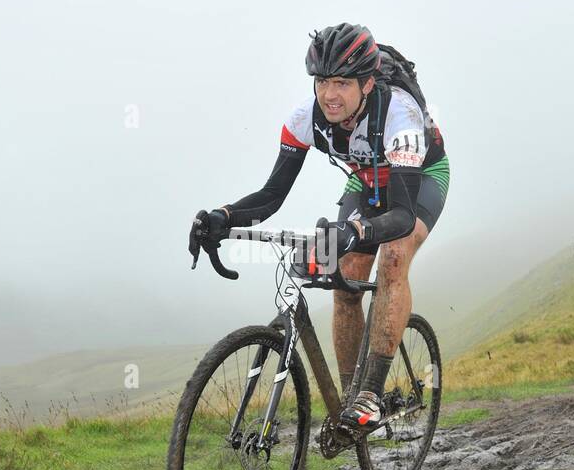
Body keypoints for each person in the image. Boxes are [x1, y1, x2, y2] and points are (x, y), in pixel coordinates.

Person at [190, 23, 449, 431]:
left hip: (418, 179)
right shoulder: (304, 119)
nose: (329, 94)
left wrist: (356, 232)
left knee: (395, 257)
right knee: (345, 278)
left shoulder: (400, 114)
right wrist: (225, 216)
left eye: (342, 83)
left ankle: (370, 395)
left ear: (366, 84)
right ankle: (349, 401)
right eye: (323, 81)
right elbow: (271, 195)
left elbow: (399, 215)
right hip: (365, 179)